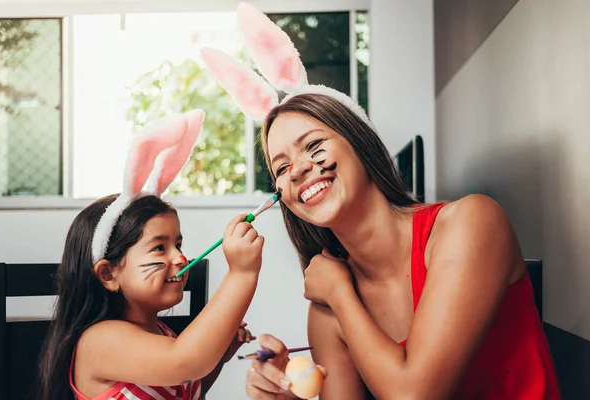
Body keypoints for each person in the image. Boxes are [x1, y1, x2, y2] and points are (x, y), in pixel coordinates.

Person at [200, 4, 561, 398]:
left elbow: (414, 394)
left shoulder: (471, 223)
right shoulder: (325, 310)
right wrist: (289, 394)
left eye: (314, 146)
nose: (299, 170)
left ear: (359, 142)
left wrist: (341, 294)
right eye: (281, 168)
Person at [37, 111, 264, 400]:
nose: (181, 258)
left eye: (178, 245)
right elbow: (184, 364)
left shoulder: (163, 334)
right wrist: (242, 273)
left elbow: (183, 387)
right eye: (160, 247)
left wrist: (219, 356)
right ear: (109, 274)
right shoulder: (100, 340)